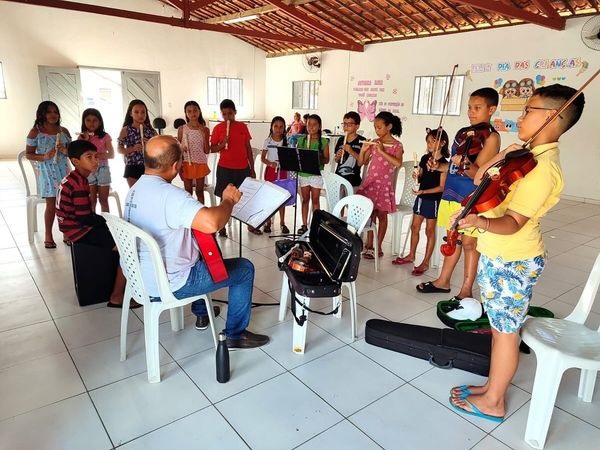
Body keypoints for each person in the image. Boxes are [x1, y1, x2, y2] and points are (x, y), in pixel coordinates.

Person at [449, 84, 585, 422]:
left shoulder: (544, 169)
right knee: (498, 328)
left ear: (552, 117)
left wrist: (477, 219)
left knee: (506, 334)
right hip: (499, 255)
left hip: (513, 259)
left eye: (529, 111)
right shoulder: (526, 156)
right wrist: (501, 156)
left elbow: (512, 222)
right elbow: (482, 176)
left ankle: (494, 401)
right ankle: (490, 386)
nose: (521, 117)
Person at [125, 135, 270, 348]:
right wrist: (228, 200)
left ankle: (202, 310)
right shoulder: (170, 196)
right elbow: (212, 223)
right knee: (244, 269)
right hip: (171, 283)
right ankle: (235, 334)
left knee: (199, 247)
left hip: (139, 277)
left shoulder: (134, 190)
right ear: (176, 166)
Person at [417, 87, 500, 300]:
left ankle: (466, 290)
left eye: (477, 108)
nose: (471, 112)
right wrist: (438, 166)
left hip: (470, 198)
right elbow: (452, 168)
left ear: (492, 110)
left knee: (470, 244)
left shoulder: (491, 138)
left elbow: (478, 175)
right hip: (452, 194)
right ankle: (443, 281)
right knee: (452, 239)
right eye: (469, 107)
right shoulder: (463, 133)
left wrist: (464, 164)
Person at [56, 140, 130, 308]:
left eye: (96, 156)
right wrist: (110, 222)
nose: (95, 160)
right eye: (89, 157)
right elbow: (85, 219)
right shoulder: (79, 184)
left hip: (72, 225)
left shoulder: (73, 178)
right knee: (125, 247)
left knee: (113, 229)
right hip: (77, 229)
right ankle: (117, 296)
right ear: (75, 161)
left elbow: (86, 214)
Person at [393, 127, 449, 275]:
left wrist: (424, 191)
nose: (429, 144)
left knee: (429, 231)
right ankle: (411, 255)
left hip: (433, 200)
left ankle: (425, 262)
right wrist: (416, 175)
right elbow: (420, 177)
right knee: (414, 227)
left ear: (443, 143)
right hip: (421, 197)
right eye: (428, 141)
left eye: (433, 141)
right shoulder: (425, 159)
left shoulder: (444, 163)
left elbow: (441, 187)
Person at [356, 111, 404, 260]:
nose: (377, 130)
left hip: (384, 185)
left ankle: (378, 245)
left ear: (389, 127)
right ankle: (369, 245)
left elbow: (397, 163)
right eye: (375, 127)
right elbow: (361, 163)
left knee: (382, 215)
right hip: (370, 183)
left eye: (379, 127)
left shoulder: (397, 145)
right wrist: (364, 151)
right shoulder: (375, 142)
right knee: (371, 215)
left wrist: (382, 151)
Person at [209, 99, 260, 237]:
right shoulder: (218, 128)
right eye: (224, 114)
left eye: (230, 113)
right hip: (225, 168)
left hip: (242, 168)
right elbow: (211, 148)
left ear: (235, 112)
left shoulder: (242, 127)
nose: (227, 117)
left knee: (246, 196)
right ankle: (222, 226)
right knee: (224, 197)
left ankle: (250, 224)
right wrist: (222, 144)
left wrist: (252, 168)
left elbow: (248, 148)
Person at [25, 101, 71, 249]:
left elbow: (73, 152)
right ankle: (48, 235)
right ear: (42, 114)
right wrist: (44, 156)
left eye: (55, 112)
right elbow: (29, 154)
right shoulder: (36, 132)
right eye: (49, 112)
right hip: (47, 172)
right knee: (51, 205)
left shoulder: (64, 131)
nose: (53, 115)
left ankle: (66, 233)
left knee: (65, 204)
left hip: (63, 171)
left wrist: (65, 151)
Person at [296, 114, 329, 235]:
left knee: (315, 200)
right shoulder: (301, 140)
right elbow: (297, 156)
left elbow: (326, 160)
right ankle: (304, 224)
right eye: (309, 124)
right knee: (305, 200)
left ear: (319, 126)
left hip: (316, 174)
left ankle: (316, 225)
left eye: (314, 125)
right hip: (304, 174)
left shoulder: (324, 141)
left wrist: (316, 157)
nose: (311, 127)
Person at [79, 108, 114, 213]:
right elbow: (80, 155)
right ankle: (93, 223)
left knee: (104, 200)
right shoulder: (81, 138)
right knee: (91, 201)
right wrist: (85, 140)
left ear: (100, 122)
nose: (91, 123)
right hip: (88, 171)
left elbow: (111, 154)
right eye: (88, 120)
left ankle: (106, 224)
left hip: (103, 169)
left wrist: (96, 155)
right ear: (84, 122)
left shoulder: (105, 136)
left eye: (95, 120)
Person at [118, 99, 157, 187]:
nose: (140, 115)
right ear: (130, 113)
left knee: (149, 195)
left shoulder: (152, 131)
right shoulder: (125, 130)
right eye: (136, 112)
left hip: (150, 167)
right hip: (132, 167)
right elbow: (119, 150)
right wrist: (133, 148)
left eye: (143, 112)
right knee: (135, 196)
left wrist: (150, 145)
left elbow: (160, 151)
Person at [261, 116, 290, 234]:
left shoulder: (286, 141)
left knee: (281, 198)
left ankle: (282, 223)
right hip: (270, 172)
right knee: (270, 197)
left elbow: (289, 157)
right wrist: (270, 163)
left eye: (281, 126)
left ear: (284, 128)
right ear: (272, 127)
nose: (278, 129)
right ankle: (268, 222)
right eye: (276, 126)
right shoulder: (267, 141)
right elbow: (263, 158)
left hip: (282, 172)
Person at [178, 100, 210, 204]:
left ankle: (201, 213)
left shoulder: (205, 129)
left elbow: (207, 150)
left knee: (200, 191)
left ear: (199, 112)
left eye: (195, 110)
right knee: (188, 192)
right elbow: (178, 149)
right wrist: (182, 148)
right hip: (187, 163)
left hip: (200, 162)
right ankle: (189, 213)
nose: (193, 113)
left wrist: (204, 136)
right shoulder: (182, 129)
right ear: (186, 114)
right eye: (189, 111)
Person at [334, 111, 366, 189]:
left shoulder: (362, 141)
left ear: (357, 126)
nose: (346, 126)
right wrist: (338, 156)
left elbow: (362, 162)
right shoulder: (341, 139)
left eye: (349, 124)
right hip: (339, 178)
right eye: (344, 124)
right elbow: (336, 160)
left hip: (353, 180)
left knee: (351, 200)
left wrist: (351, 151)